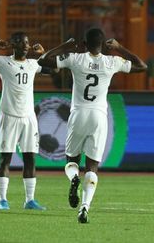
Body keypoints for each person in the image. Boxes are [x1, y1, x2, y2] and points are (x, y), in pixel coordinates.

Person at [37, 28, 147, 223]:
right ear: (104, 45)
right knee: (92, 166)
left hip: (78, 113)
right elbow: (142, 66)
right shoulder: (111, 62)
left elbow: (43, 60)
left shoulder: (75, 58)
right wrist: (119, 48)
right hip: (98, 116)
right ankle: (85, 207)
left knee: (71, 160)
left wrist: (65, 45)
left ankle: (73, 179)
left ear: (84, 44)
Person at [0, 32, 51, 211]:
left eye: (27, 42)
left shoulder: (33, 63)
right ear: (13, 45)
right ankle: (2, 200)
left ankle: (30, 200)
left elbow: (53, 69)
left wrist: (43, 54)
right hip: (9, 116)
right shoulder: (2, 62)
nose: (25, 45)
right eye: (21, 42)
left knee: (30, 158)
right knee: (5, 159)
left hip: (29, 117)